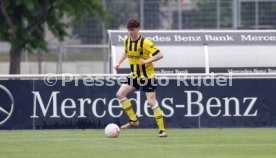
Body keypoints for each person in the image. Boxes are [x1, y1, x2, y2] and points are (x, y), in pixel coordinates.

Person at [114, 18, 167, 137]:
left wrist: (146, 61)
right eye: (128, 30)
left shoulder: (145, 42)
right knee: (120, 94)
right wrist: (119, 63)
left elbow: (160, 55)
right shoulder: (127, 41)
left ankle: (162, 130)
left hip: (148, 76)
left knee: (151, 101)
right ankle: (134, 121)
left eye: (132, 30)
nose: (130, 32)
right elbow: (127, 52)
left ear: (138, 29)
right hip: (135, 75)